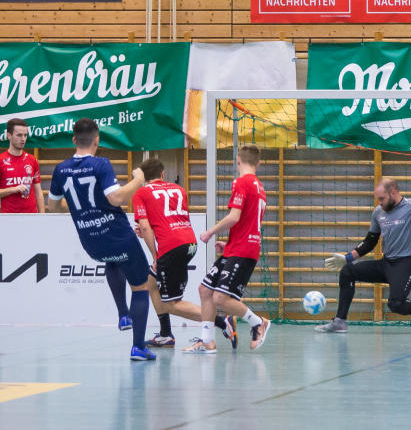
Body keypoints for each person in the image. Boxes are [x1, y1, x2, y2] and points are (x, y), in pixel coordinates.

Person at [47, 118, 155, 361]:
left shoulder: (60, 169)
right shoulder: (101, 164)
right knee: (141, 287)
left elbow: (52, 206)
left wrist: (82, 210)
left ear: (74, 140)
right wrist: (138, 180)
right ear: (97, 140)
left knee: (112, 260)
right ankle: (138, 347)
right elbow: (116, 198)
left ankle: (123, 314)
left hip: (91, 243)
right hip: (118, 236)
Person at [316, 177, 411, 334]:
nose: (379, 203)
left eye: (382, 198)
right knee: (347, 272)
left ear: (393, 192)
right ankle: (340, 322)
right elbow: (370, 241)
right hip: (386, 264)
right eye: (378, 199)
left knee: (396, 303)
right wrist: (347, 258)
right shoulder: (378, 212)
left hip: (407, 264)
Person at [132, 158, 236, 348]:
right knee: (150, 282)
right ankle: (165, 334)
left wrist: (156, 256)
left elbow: (145, 227)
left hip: (170, 247)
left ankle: (222, 321)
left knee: (172, 304)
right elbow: (167, 220)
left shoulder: (141, 192)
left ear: (143, 177)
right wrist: (150, 231)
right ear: (163, 174)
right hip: (189, 243)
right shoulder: (179, 189)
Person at [183, 144, 270, 354]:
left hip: (243, 250)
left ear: (238, 160)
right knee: (205, 290)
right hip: (238, 247)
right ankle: (207, 341)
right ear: (258, 163)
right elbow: (248, 221)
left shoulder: (242, 182)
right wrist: (229, 243)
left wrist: (210, 232)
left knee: (220, 298)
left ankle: (258, 322)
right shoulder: (259, 187)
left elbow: (234, 217)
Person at [0, 118, 44, 214]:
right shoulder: (1, 160)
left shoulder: (32, 160)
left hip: (31, 216)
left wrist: (42, 216)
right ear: (9, 135)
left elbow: (38, 192)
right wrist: (13, 189)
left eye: (25, 135)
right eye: (19, 135)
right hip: (8, 218)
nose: (23, 139)